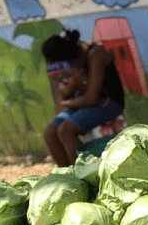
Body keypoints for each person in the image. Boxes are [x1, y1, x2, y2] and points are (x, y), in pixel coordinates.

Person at [42, 29, 125, 167]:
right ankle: (68, 175)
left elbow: (92, 98)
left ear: (68, 57)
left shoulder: (95, 54)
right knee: (50, 132)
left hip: (108, 102)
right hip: (81, 103)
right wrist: (74, 87)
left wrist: (67, 102)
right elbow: (63, 94)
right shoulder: (67, 61)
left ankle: (84, 175)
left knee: (66, 130)